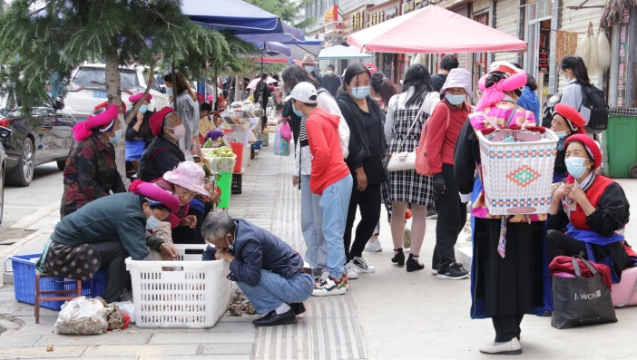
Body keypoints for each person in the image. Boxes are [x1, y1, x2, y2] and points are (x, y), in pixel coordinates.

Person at [454, 68, 552, 355]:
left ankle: (505, 336)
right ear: (512, 90)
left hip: (492, 204)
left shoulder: (477, 119)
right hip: (528, 204)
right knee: (523, 264)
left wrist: (463, 193)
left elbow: (462, 162)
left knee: (496, 268)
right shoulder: (528, 118)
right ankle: (515, 330)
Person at [39, 181, 181, 303]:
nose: (158, 221)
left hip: (65, 246)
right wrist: (160, 289)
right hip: (62, 253)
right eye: (158, 216)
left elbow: (135, 234)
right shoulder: (131, 214)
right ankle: (112, 300)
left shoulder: (130, 202)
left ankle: (123, 292)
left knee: (123, 244)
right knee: (123, 249)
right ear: (145, 206)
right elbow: (141, 255)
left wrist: (160, 245)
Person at [281, 65, 352, 280]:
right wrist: (297, 168)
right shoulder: (310, 112)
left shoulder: (321, 104)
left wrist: (332, 163)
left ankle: (330, 269)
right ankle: (315, 262)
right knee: (310, 220)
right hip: (311, 169)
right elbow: (303, 143)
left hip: (326, 172)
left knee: (327, 226)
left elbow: (338, 135)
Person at [547, 134, 634, 283]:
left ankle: (566, 289)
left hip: (604, 248)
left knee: (552, 237)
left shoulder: (610, 188)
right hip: (580, 241)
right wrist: (555, 199)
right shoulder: (568, 187)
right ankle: (560, 290)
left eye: (576, 153)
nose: (571, 158)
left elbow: (607, 229)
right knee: (547, 237)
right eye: (568, 154)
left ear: (590, 161)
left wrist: (583, 200)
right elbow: (555, 226)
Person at [201, 211, 313, 327]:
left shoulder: (249, 241)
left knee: (240, 273)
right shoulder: (234, 228)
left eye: (217, 243)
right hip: (292, 277)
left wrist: (230, 259)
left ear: (228, 237)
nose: (217, 248)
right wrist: (202, 278)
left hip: (299, 284)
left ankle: (281, 311)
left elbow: (251, 278)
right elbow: (210, 249)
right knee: (240, 269)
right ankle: (289, 305)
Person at [383, 64, 439, 272]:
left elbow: (387, 132)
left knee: (397, 209)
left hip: (397, 156)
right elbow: (434, 126)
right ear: (426, 79)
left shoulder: (395, 100)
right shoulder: (432, 99)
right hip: (421, 156)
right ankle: (413, 258)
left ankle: (397, 251)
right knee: (419, 211)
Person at [337, 63, 387, 275]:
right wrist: (358, 170)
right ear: (347, 84)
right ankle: (342, 260)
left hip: (374, 168)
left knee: (372, 215)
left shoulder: (371, 103)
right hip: (353, 169)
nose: (363, 87)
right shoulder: (343, 105)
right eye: (358, 83)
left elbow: (378, 131)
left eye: (366, 83)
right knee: (347, 218)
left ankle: (355, 254)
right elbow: (351, 141)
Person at [426, 68, 472, 279]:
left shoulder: (468, 110)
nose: (456, 93)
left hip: (462, 171)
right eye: (452, 89)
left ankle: (439, 260)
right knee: (449, 219)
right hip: (446, 169)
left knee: (460, 218)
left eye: (460, 89)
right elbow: (433, 144)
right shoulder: (442, 109)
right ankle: (446, 263)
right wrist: (437, 175)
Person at [61, 104, 126, 218]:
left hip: (96, 203)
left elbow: (114, 176)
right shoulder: (88, 147)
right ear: (107, 129)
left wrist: (125, 199)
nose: (120, 128)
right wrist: (110, 202)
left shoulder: (108, 146)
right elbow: (87, 184)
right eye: (117, 125)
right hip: (79, 206)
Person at [367, 72, 398, 253]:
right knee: (392, 200)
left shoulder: (372, 105)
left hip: (376, 157)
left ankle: (373, 239)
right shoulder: (394, 102)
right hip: (392, 157)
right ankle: (399, 239)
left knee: (374, 199)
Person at [154, 161, 210, 245]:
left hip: (166, 232)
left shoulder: (182, 203)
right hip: (149, 235)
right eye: (185, 192)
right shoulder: (162, 193)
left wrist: (181, 223)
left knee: (190, 231)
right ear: (176, 185)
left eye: (192, 195)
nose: (187, 198)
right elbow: (148, 224)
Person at [137, 107, 185, 182]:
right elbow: (178, 174)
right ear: (166, 130)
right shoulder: (162, 150)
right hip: (154, 191)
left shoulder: (166, 142)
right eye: (176, 122)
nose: (181, 124)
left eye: (180, 121)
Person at [163, 71, 200, 160]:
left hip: (182, 146)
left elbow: (185, 126)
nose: (167, 89)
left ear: (176, 85)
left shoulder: (181, 101)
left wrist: (184, 148)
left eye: (168, 86)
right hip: (186, 145)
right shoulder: (189, 97)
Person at [550, 103, 587, 182]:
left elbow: (572, 172)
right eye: (554, 121)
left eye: (559, 124)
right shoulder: (549, 137)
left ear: (568, 130)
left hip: (562, 179)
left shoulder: (573, 145)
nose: (554, 125)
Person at [559, 56, 592, 123]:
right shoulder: (588, 87)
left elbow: (564, 114)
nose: (564, 76)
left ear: (568, 71)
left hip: (576, 130)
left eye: (563, 73)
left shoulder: (571, 88)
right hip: (591, 131)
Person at [125, 92, 155, 163]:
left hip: (146, 144)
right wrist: (138, 122)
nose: (144, 106)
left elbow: (153, 136)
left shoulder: (150, 116)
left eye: (146, 104)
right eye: (142, 104)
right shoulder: (129, 116)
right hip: (131, 145)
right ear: (135, 105)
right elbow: (128, 136)